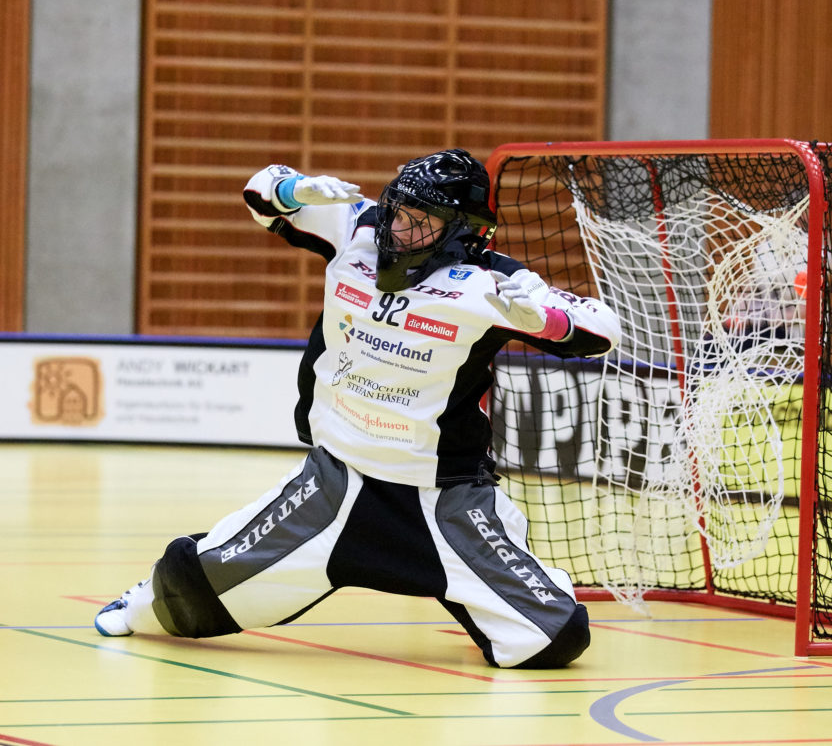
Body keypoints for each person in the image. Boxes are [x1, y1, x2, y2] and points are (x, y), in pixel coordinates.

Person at [93, 149, 622, 669]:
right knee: (188, 589)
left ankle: (513, 569)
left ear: (461, 231)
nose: (398, 228)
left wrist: (544, 320)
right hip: (333, 483)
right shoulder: (359, 228)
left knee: (555, 638)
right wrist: (291, 192)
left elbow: (602, 329)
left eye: (421, 221)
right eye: (399, 210)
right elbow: (260, 192)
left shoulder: (494, 283)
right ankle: (139, 599)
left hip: (444, 502)